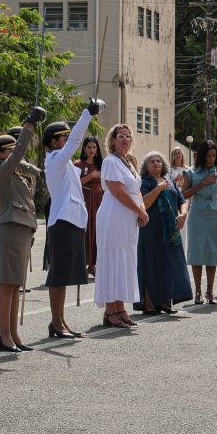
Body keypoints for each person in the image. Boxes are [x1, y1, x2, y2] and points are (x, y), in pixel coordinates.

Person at [0, 106, 45, 352]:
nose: (16, 155)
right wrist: (28, 125)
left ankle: (13, 334)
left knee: (15, 286)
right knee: (7, 284)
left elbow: (31, 170)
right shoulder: (1, 170)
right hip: (10, 229)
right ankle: (4, 335)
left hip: (22, 229)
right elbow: (19, 153)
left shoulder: (17, 172)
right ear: (1, 153)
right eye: (11, 151)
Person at [43, 101, 101, 338]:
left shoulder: (63, 161)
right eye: (64, 137)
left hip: (73, 221)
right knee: (58, 275)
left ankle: (60, 321)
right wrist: (87, 114)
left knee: (65, 276)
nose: (68, 140)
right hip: (62, 222)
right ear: (54, 141)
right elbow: (77, 140)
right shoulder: (55, 159)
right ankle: (56, 323)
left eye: (67, 136)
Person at [94, 123, 148, 328]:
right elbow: (118, 191)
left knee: (124, 261)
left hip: (128, 217)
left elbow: (136, 190)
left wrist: (142, 209)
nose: (125, 139)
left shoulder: (129, 162)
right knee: (112, 260)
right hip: (114, 214)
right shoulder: (110, 161)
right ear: (113, 140)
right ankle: (110, 310)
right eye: (120, 136)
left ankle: (120, 307)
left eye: (128, 136)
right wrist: (139, 211)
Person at [136, 150, 191, 314]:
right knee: (151, 263)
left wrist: (183, 214)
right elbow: (143, 204)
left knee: (169, 264)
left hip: (170, 230)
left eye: (159, 161)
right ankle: (148, 302)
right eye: (152, 161)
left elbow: (182, 200)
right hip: (150, 229)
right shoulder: (143, 183)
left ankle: (166, 301)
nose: (156, 163)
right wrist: (158, 189)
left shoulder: (169, 182)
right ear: (146, 167)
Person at [180, 140, 217, 304]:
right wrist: (201, 184)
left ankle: (210, 291)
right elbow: (182, 195)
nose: (211, 159)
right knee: (197, 253)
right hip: (197, 215)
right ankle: (198, 291)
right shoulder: (191, 172)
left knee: (213, 254)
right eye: (208, 156)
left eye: (214, 156)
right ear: (201, 156)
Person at [75, 135, 104, 277]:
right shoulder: (78, 164)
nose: (92, 150)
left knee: (97, 231)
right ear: (84, 149)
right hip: (85, 201)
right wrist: (91, 176)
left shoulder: (102, 165)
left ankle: (93, 265)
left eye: (94, 147)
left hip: (100, 201)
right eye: (89, 147)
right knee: (86, 231)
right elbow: (75, 183)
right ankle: (82, 264)